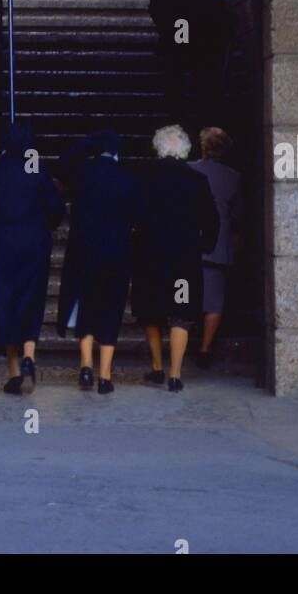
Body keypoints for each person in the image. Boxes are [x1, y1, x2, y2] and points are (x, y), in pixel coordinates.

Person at [0, 121, 65, 394]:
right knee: (30, 299)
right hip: (34, 244)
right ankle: (30, 355)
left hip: (1, 244)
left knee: (4, 303)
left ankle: (14, 372)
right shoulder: (37, 171)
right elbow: (56, 210)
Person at [54, 129, 145, 395]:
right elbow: (139, 217)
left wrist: (84, 145)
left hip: (84, 248)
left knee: (86, 303)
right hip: (117, 251)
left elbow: (58, 167)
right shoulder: (128, 178)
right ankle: (105, 375)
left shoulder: (83, 172)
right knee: (111, 308)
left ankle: (85, 364)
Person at [131, 124, 218, 392]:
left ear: (159, 147)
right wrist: (203, 245)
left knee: (152, 311)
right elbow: (211, 220)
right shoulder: (197, 179)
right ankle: (176, 374)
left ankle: (157, 368)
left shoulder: (144, 176)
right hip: (184, 259)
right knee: (181, 312)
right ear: (185, 149)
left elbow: (135, 216)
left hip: (151, 256)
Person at [148, 0, 234, 132]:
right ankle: (201, 116)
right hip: (200, 40)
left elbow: (155, 10)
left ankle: (177, 117)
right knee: (200, 79)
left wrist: (170, 29)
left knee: (174, 78)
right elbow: (217, 7)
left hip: (175, 38)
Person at [189, 127, 243, 370]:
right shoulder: (233, 177)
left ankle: (183, 335)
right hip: (219, 241)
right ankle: (205, 348)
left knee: (185, 290)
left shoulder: (190, 170)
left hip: (190, 237)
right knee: (214, 300)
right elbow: (237, 215)